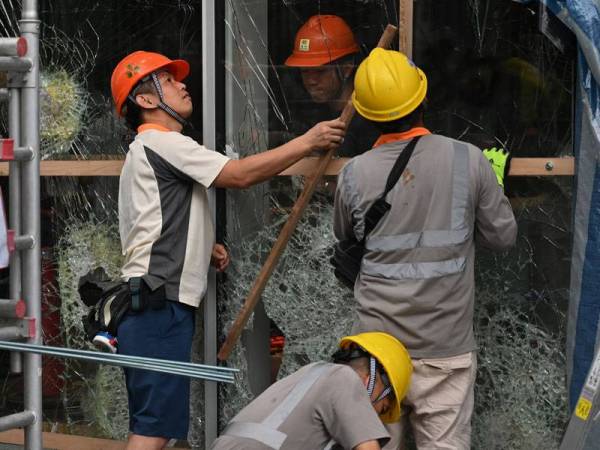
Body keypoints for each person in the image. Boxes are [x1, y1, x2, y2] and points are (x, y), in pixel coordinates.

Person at [110, 50, 345, 450]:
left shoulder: (144, 152)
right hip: (158, 305)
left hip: (149, 304)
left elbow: (153, 222)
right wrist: (307, 142)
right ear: (146, 101)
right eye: (168, 81)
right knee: (151, 431)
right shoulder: (163, 141)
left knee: (158, 425)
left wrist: (205, 246)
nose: (183, 84)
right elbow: (238, 175)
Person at [333, 49, 518, 449]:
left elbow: (346, 237)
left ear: (365, 114)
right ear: (424, 98)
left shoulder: (353, 174)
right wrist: (487, 190)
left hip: (377, 349)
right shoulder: (469, 161)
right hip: (445, 349)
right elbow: (502, 238)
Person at [211, 332, 412, 450]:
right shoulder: (346, 379)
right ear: (370, 381)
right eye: (382, 409)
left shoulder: (311, 374)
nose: (376, 418)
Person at [283, 14, 380, 157]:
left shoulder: (370, 124)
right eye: (305, 71)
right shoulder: (310, 116)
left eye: (320, 72)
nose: (311, 81)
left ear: (346, 69)